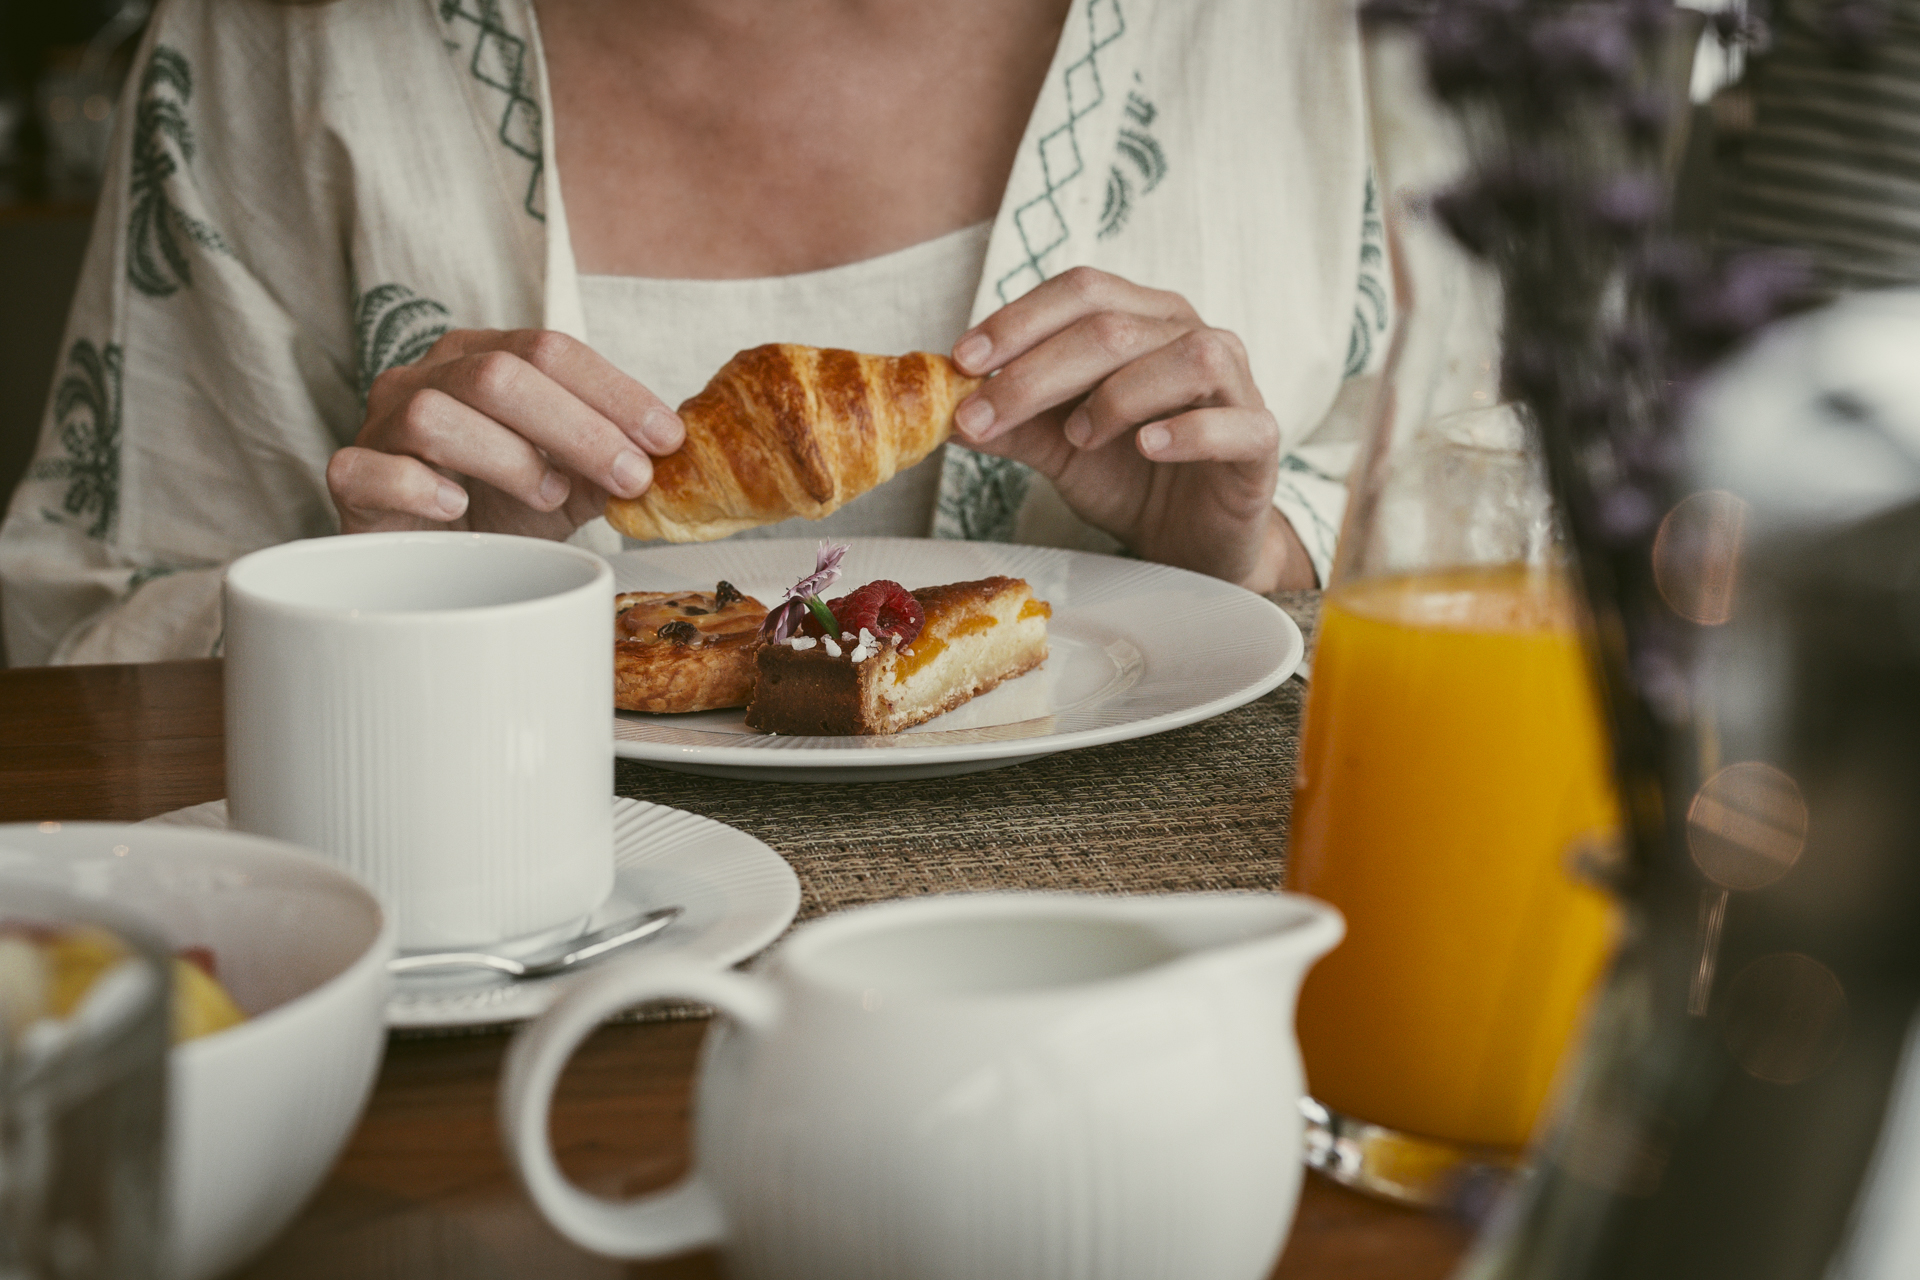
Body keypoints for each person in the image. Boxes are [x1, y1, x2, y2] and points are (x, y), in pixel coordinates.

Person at [0, 0, 1384, 666]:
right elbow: (83, 658)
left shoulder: (1339, 41)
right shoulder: (286, 39)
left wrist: (1251, 558)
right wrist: (378, 612)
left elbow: (1529, 575)